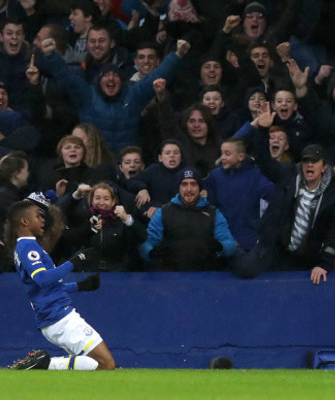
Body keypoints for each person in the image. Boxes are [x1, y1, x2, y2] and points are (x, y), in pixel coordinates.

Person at [5, 200, 116, 370]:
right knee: (106, 364)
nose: (43, 220)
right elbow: (42, 278)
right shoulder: (28, 247)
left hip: (54, 317)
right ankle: (45, 364)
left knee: (96, 365)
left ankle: (45, 364)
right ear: (24, 222)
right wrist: (75, 261)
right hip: (60, 317)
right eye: (37, 216)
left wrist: (80, 286)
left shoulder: (27, 247)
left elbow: (47, 287)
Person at [243, 103, 335, 284]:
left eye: (314, 162)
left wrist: (324, 264)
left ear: (324, 167)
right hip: (275, 253)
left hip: (307, 259)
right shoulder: (288, 175)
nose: (309, 165)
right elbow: (264, 161)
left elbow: (334, 232)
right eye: (306, 161)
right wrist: (263, 130)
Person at [41, 35, 189, 155]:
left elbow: (157, 75)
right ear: (99, 81)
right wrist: (51, 55)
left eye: (115, 75)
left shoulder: (133, 96)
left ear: (122, 81)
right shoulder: (87, 96)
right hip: (96, 162)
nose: (111, 79)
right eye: (106, 75)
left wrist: (178, 55)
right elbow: (66, 77)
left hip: (128, 164)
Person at [140, 167, 237, 271]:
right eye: (184, 184)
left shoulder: (213, 213)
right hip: (171, 275)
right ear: (178, 187)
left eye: (193, 184)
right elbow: (148, 241)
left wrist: (220, 247)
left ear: (200, 188)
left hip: (206, 274)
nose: (189, 189)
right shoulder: (163, 212)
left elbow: (229, 243)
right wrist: (152, 252)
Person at [204, 138, 274, 251]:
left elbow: (273, 195)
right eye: (221, 153)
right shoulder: (214, 176)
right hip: (221, 240)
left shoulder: (255, 175)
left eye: (227, 154)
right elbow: (209, 205)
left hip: (248, 240)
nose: (222, 158)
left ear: (241, 157)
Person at [59, 182, 146, 271]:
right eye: (97, 198)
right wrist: (77, 195)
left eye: (106, 199)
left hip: (116, 273)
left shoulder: (121, 220)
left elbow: (142, 237)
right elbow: (61, 213)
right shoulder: (84, 217)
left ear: (113, 202)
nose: (101, 202)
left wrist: (127, 219)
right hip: (87, 272)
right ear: (91, 201)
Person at [0, 151, 30, 230]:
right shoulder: (5, 197)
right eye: (27, 170)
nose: (29, 173)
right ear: (17, 174)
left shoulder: (12, 193)